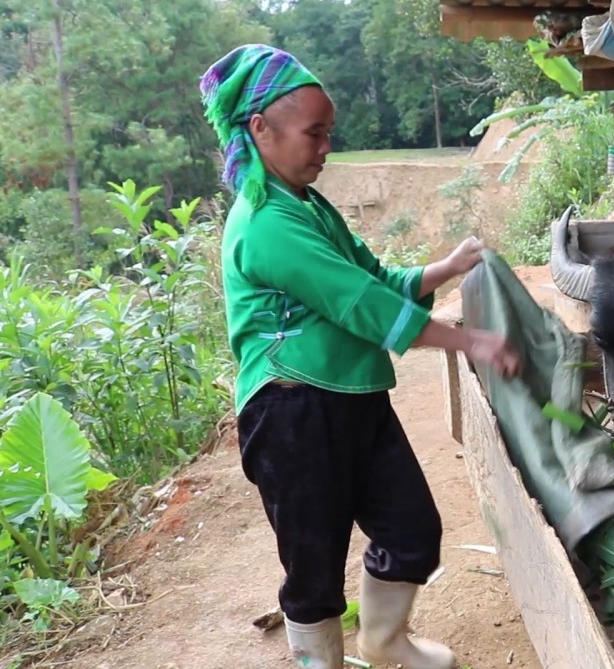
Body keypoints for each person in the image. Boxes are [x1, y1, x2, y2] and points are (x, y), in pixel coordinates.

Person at [199, 44, 522, 669]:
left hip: (355, 399)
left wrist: (447, 269)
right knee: (314, 563)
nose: (325, 149)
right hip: (291, 412)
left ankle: (384, 642)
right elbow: (361, 306)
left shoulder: (308, 205)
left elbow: (370, 277)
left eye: (329, 134)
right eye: (313, 134)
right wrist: (468, 341)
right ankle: (321, 660)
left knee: (412, 532)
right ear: (259, 127)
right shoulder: (265, 223)